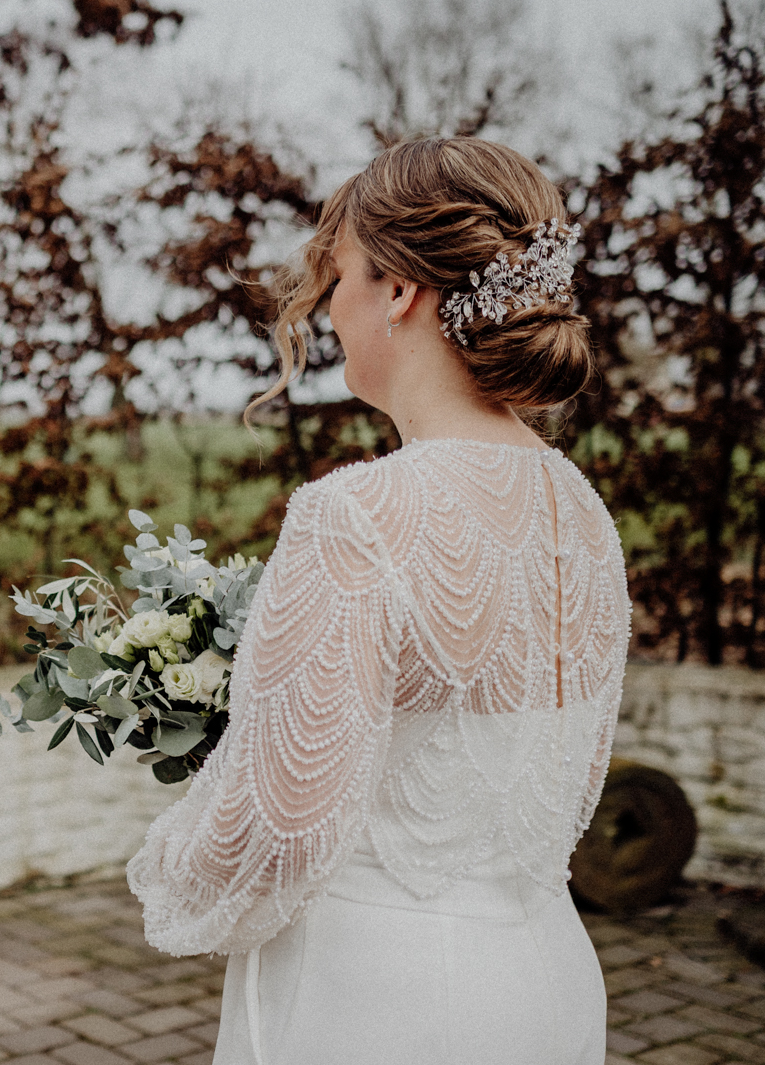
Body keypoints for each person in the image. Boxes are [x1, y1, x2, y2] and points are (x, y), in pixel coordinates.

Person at [126, 136, 629, 1065]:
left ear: (400, 291)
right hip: (547, 979)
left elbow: (282, 825)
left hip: (379, 997)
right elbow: (562, 779)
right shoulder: (582, 512)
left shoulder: (358, 516)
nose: (329, 305)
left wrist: (170, 867)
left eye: (345, 273)